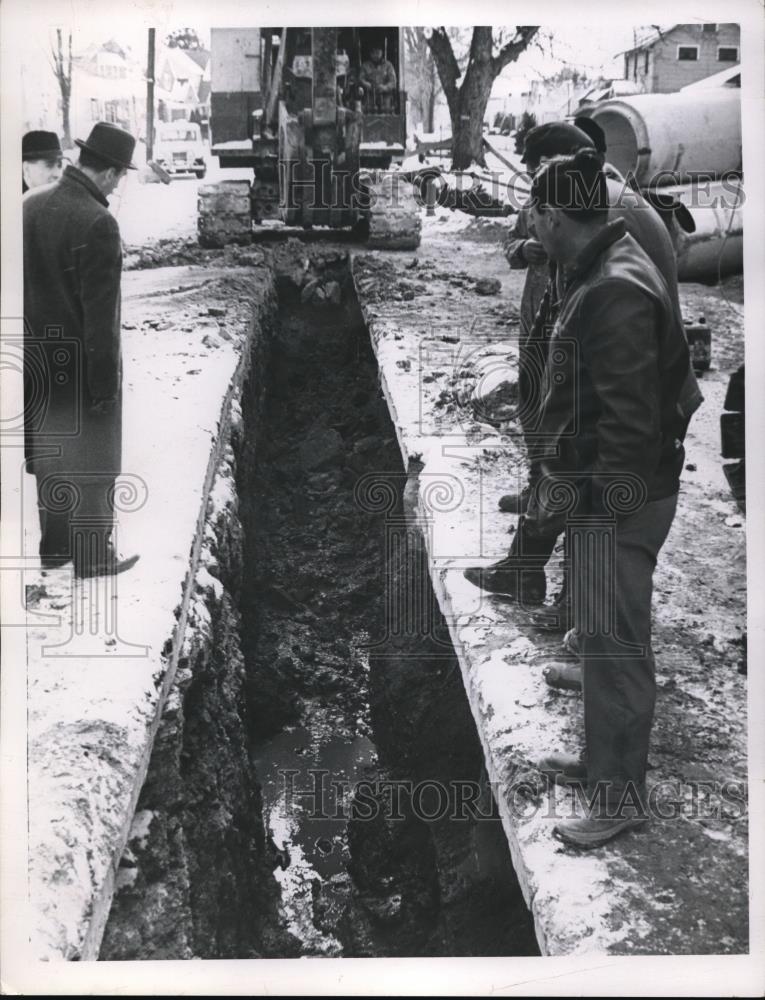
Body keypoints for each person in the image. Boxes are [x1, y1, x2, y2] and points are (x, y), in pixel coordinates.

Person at [520, 149, 693, 847]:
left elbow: (628, 423)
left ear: (557, 217)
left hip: (619, 498)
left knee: (618, 649)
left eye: (536, 214)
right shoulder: (600, 262)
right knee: (596, 637)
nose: (530, 225)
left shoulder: (615, 289)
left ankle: (619, 799)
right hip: (601, 494)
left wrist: (599, 514)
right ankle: (599, 764)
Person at [466, 123, 702, 627]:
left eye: (537, 175)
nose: (531, 215)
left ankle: (582, 610)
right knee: (563, 465)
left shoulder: (612, 223)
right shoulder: (583, 204)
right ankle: (536, 575)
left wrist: (596, 499)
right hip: (591, 360)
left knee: (593, 482)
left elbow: (625, 419)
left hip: (629, 370)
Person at [24, 122, 140, 577]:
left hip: (34, 361)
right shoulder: (98, 222)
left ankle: (54, 548)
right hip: (79, 364)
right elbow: (101, 320)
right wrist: (104, 387)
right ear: (111, 173)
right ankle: (93, 555)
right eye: (120, 176)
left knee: (52, 451)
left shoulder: (28, 205)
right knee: (94, 453)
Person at [359, 46, 397, 112]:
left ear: (381, 52)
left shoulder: (388, 65)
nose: (375, 55)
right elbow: (360, 79)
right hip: (369, 96)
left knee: (387, 112)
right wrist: (365, 83)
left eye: (377, 52)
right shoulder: (365, 65)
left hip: (385, 97)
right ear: (370, 54)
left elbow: (393, 82)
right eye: (373, 53)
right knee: (367, 112)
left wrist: (385, 87)